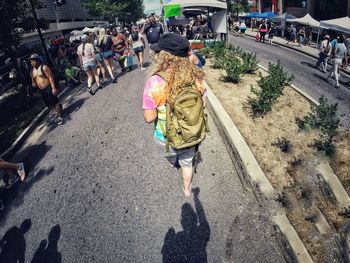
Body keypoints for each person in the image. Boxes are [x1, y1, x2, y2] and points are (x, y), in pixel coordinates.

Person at [143, 33, 207, 197]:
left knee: (172, 157)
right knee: (187, 164)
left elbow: (149, 118)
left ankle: (172, 162)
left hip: (166, 136)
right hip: (190, 133)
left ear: (165, 56)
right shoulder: (196, 76)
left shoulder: (155, 82)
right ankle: (187, 189)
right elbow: (204, 104)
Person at [29, 54, 63, 124]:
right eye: (31, 61)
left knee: (54, 102)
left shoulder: (44, 67)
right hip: (41, 90)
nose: (32, 62)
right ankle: (59, 108)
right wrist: (33, 84)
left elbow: (50, 77)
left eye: (33, 60)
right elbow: (33, 81)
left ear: (38, 60)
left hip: (48, 87)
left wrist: (53, 88)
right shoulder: (32, 71)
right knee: (49, 104)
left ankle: (59, 116)